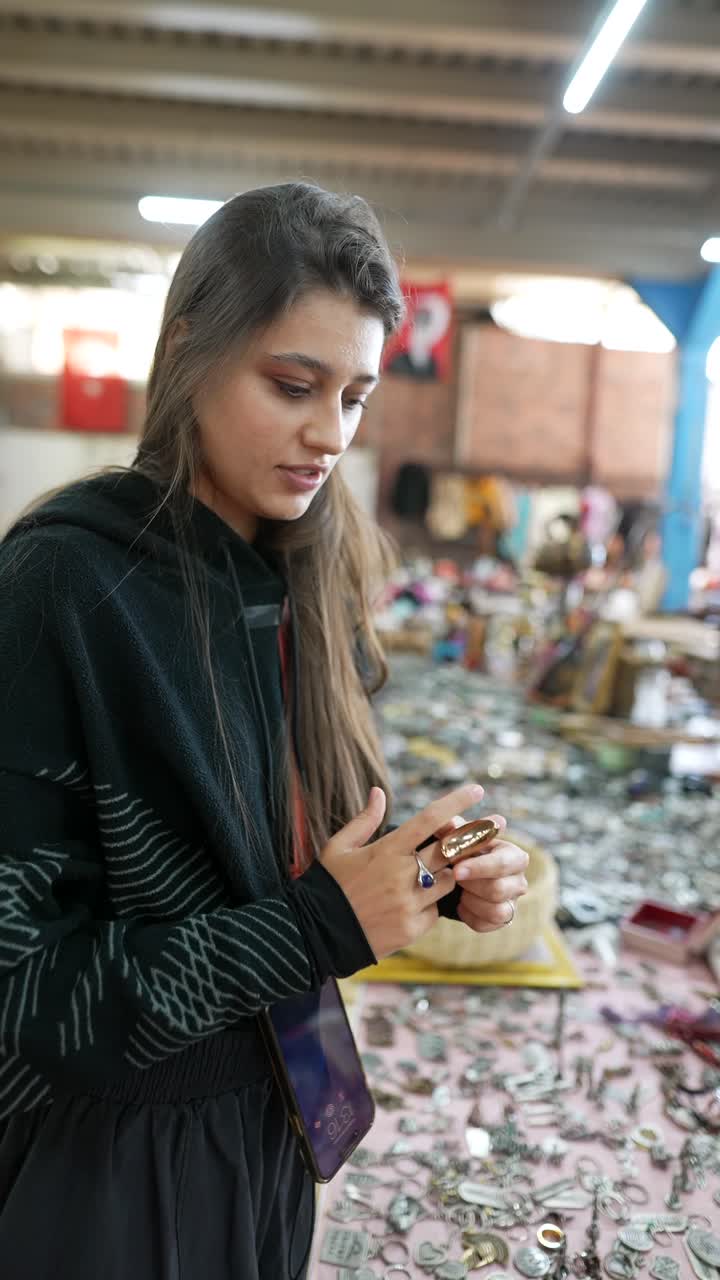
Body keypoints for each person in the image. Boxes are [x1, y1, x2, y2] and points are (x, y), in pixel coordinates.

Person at [0, 182, 529, 1280]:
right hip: (110, 1167)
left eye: (356, 396)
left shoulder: (300, 579)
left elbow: (307, 844)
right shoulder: (64, 582)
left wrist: (457, 861)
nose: (329, 433)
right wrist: (318, 926)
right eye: (294, 384)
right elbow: (28, 987)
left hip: (277, 1122)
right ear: (190, 348)